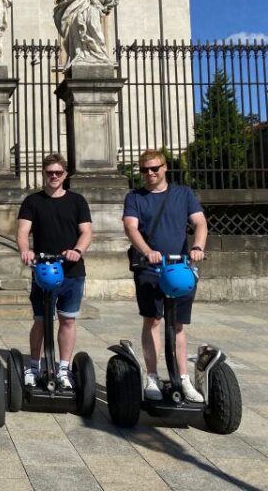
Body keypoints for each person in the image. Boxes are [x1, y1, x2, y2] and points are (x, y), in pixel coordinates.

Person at [123, 149, 207, 402]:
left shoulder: (183, 194)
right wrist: (147, 251)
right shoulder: (135, 197)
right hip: (150, 267)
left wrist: (198, 246)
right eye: (144, 169)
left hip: (180, 268)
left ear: (165, 167)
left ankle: (183, 378)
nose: (149, 173)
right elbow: (130, 227)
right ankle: (152, 377)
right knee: (153, 320)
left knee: (178, 324)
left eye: (154, 168)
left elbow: (200, 222)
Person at [16, 154, 93, 390]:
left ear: (65, 174)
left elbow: (86, 232)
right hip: (43, 270)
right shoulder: (32, 201)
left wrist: (77, 250)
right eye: (50, 172)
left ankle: (63, 368)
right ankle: (34, 366)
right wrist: (25, 250)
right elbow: (22, 231)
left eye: (58, 172)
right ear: (44, 173)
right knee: (41, 320)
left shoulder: (77, 201)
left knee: (67, 319)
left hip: (71, 270)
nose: (54, 176)